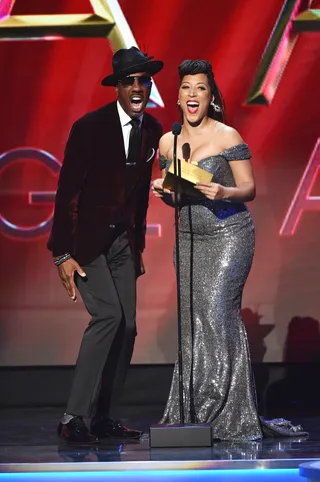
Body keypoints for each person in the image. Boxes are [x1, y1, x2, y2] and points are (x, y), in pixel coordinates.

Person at [152, 60, 307, 440]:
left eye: (200, 88)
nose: (192, 95)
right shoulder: (167, 142)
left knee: (218, 315)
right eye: (186, 87)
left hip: (228, 235)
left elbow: (248, 189)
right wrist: (165, 194)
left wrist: (222, 192)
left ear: (210, 96)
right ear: (177, 96)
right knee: (194, 321)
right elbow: (178, 199)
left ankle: (226, 412)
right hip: (189, 239)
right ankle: (195, 409)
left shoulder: (227, 136)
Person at [48, 47, 163, 443]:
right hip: (86, 244)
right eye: (128, 80)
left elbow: (141, 198)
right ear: (116, 86)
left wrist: (138, 248)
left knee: (128, 326)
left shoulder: (153, 131)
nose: (136, 87)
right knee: (109, 318)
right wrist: (62, 252)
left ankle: (103, 417)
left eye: (142, 80)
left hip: (122, 245)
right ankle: (72, 417)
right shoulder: (90, 128)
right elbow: (67, 194)